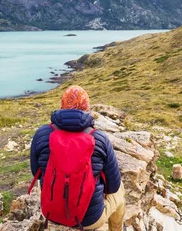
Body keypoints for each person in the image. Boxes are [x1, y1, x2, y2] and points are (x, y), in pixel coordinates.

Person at [30, 85, 126, 230]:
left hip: (51, 213)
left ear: (62, 105)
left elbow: (35, 172)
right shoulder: (99, 138)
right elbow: (113, 186)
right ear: (86, 107)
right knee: (120, 191)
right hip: (89, 220)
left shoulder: (42, 133)